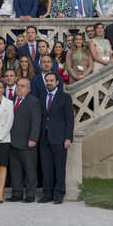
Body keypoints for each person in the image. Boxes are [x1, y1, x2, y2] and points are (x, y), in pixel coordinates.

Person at [38, 72, 74, 204]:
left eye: (51, 80)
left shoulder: (65, 97)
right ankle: (47, 194)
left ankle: (59, 194)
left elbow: (70, 120)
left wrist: (68, 138)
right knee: (46, 168)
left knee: (59, 168)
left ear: (57, 82)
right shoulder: (42, 97)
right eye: (47, 80)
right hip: (44, 138)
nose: (49, 83)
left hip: (59, 138)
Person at [7, 78, 41, 203]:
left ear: (28, 89)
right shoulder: (10, 101)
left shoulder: (33, 101)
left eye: (23, 86)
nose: (19, 88)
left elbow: (36, 122)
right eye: (18, 85)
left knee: (30, 169)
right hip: (12, 141)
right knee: (15, 170)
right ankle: (17, 193)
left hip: (27, 142)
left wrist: (33, 138)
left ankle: (30, 195)